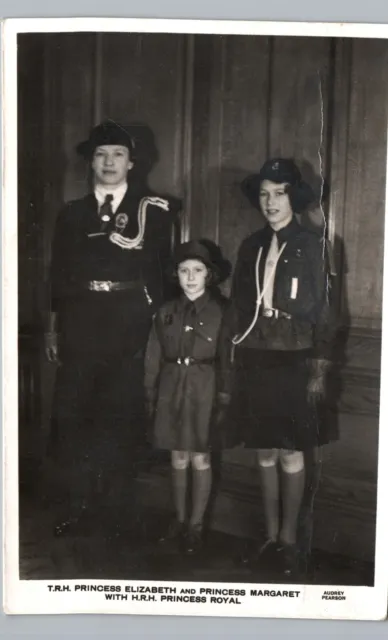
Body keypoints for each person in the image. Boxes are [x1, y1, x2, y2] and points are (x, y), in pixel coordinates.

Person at [45, 119, 180, 537]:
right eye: (100, 155)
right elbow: (58, 274)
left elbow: (162, 275)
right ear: (90, 163)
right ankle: (78, 506)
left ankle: (117, 512)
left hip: (130, 325)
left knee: (120, 415)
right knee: (76, 415)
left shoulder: (154, 212)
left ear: (132, 162)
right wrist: (54, 327)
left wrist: (155, 330)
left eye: (117, 154)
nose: (108, 162)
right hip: (81, 323)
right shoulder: (72, 213)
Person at [219, 158, 337, 577]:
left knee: (289, 449)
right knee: (263, 449)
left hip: (294, 359)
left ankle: (290, 540)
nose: (270, 202)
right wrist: (229, 360)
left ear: (294, 198)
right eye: (264, 194)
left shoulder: (312, 245)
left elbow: (325, 312)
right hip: (255, 357)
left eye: (279, 193)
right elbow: (236, 309)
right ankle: (270, 537)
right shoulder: (251, 244)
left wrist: (319, 367)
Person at [144, 239, 231, 554]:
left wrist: (224, 395)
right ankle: (178, 520)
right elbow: (153, 355)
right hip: (171, 387)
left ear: (209, 275)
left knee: (200, 456)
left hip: (204, 388)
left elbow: (227, 358)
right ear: (175, 274)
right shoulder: (165, 312)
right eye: (184, 270)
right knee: (177, 455)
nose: (191, 277)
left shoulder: (222, 312)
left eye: (198, 270)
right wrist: (150, 391)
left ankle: (196, 527)